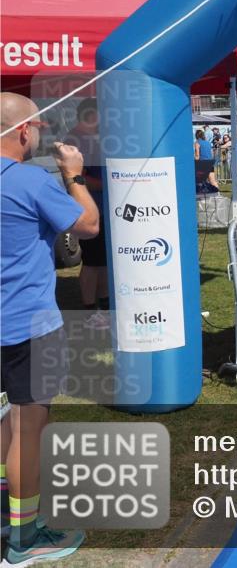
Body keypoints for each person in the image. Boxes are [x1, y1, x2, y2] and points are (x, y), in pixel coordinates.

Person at [2, 93, 99, 565]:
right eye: (37, 126)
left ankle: (10, 509)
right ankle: (24, 539)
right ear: (24, 132)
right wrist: (74, 174)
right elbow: (89, 224)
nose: (40, 133)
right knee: (30, 427)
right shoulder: (31, 181)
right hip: (29, 322)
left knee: (10, 419)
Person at [62, 98, 110, 330]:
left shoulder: (93, 139)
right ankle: (91, 311)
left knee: (103, 262)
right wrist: (109, 183)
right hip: (90, 209)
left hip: (102, 209)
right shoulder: (74, 141)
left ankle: (105, 308)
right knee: (92, 263)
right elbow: (77, 178)